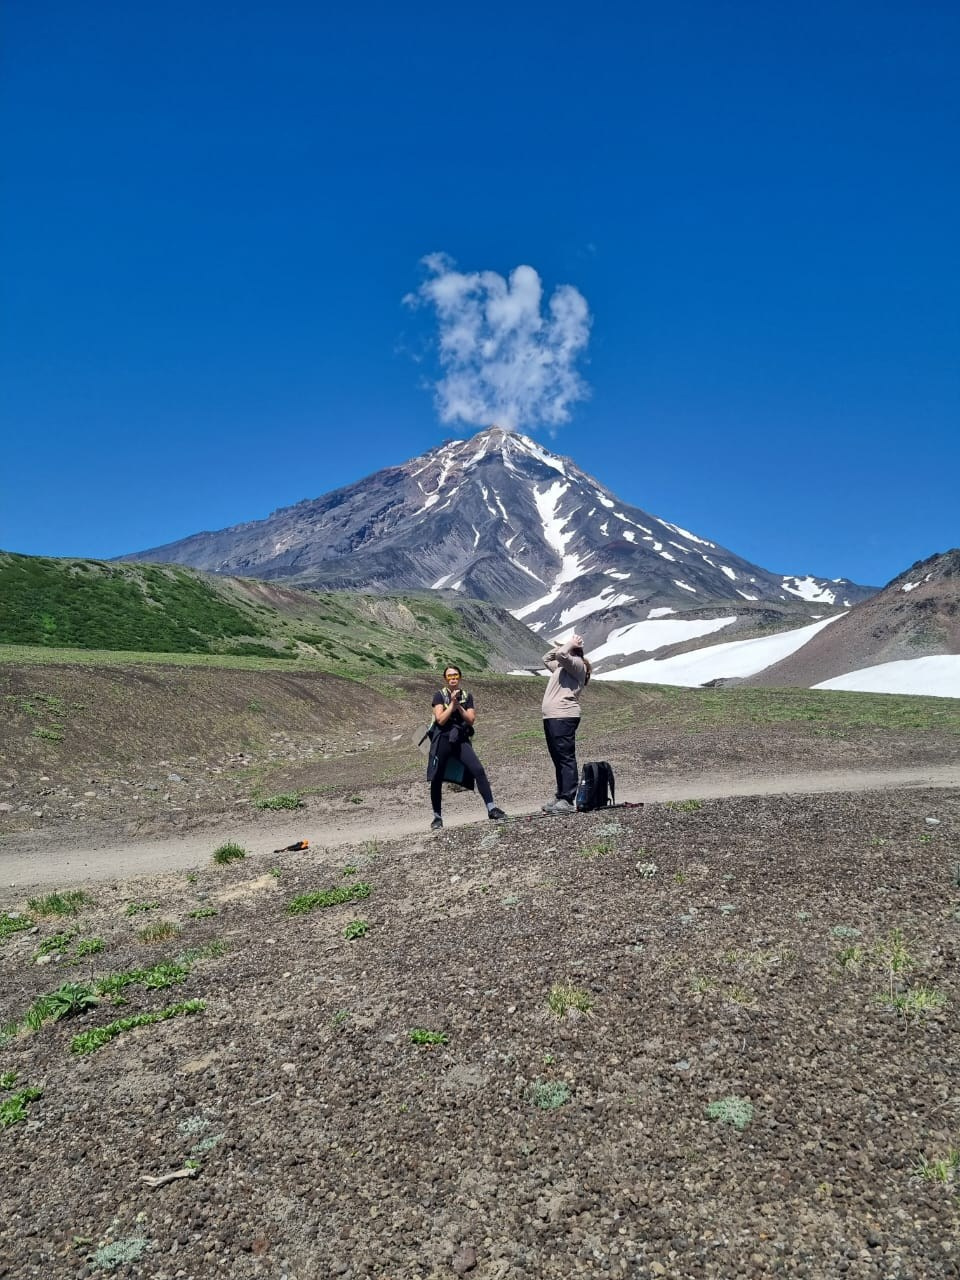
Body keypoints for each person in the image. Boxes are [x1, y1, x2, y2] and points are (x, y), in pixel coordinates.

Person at [427, 665, 506, 831]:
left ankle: (491, 808)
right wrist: (452, 705)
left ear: (460, 677)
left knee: (478, 770)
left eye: (455, 675)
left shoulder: (467, 696)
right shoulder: (439, 695)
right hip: (442, 739)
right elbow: (440, 719)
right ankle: (437, 817)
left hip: (460, 739)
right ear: (445, 679)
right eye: (450, 676)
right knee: (437, 777)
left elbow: (470, 719)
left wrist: (458, 705)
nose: (453, 678)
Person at [541, 633, 592, 815]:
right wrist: (562, 646)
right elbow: (546, 659)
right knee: (558, 757)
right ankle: (561, 795)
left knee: (565, 757)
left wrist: (570, 645)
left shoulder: (576, 664)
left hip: (563, 715)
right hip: (553, 716)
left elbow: (561, 655)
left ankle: (568, 799)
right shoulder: (562, 667)